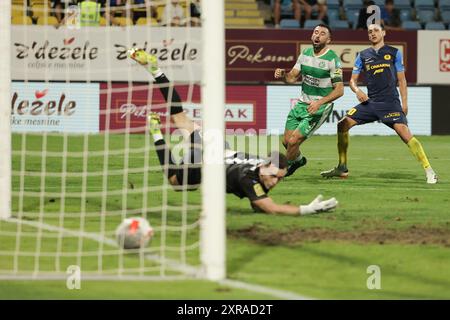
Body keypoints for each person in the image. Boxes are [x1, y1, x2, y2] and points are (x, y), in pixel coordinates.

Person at [127, 48, 339, 216]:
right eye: (274, 176)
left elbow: (259, 205)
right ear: (264, 166)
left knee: (179, 117)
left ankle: (157, 72)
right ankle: (156, 132)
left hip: (217, 148)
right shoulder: (250, 179)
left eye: (279, 179)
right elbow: (269, 208)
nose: (275, 182)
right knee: (177, 183)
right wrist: (307, 209)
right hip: (205, 159)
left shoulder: (259, 169)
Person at [320, 23, 438, 184]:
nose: (373, 33)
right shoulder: (362, 55)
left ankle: (429, 171)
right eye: (369, 31)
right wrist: (358, 91)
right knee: (342, 124)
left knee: (405, 134)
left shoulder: (394, 53)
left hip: (390, 103)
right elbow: (352, 81)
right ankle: (342, 167)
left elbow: (402, 80)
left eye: (376, 30)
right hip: (371, 103)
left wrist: (405, 103)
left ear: (383, 32)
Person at [274, 24, 344, 177]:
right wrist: (284, 75)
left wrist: (319, 103)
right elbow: (292, 77)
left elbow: (339, 90)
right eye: (315, 32)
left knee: (293, 142)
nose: (317, 35)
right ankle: (298, 160)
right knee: (287, 142)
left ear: (329, 39)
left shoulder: (333, 60)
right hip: (301, 104)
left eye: (322, 34)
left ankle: (280, 171)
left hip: (319, 108)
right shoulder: (305, 53)